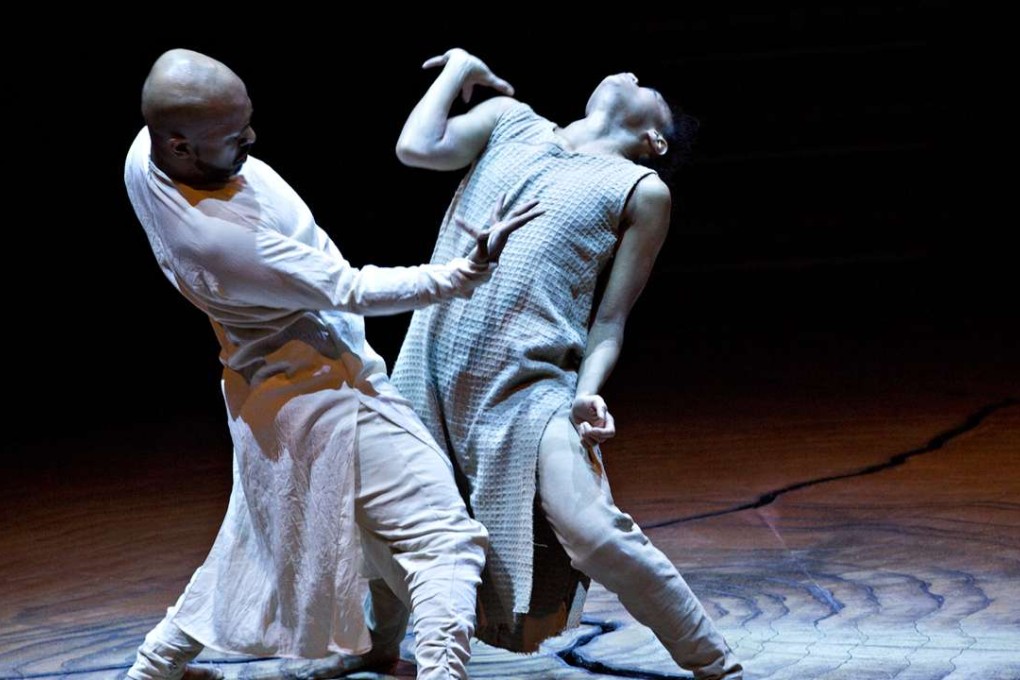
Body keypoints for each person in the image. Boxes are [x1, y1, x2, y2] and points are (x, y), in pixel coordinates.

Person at [122, 48, 542, 680]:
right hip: (329, 397)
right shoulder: (220, 239)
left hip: (267, 397)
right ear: (180, 147)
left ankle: (154, 669)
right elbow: (351, 288)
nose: (253, 140)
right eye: (235, 137)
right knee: (445, 543)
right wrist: (463, 272)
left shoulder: (143, 158)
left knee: (258, 541)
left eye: (249, 121)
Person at [388, 48, 743, 679]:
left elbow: (609, 319)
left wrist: (589, 392)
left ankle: (715, 664)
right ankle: (374, 648)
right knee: (390, 521)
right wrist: (459, 69)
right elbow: (416, 148)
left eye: (648, 84)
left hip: (529, 389)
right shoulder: (508, 120)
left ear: (653, 139)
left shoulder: (642, 189)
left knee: (594, 531)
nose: (633, 72)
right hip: (429, 368)